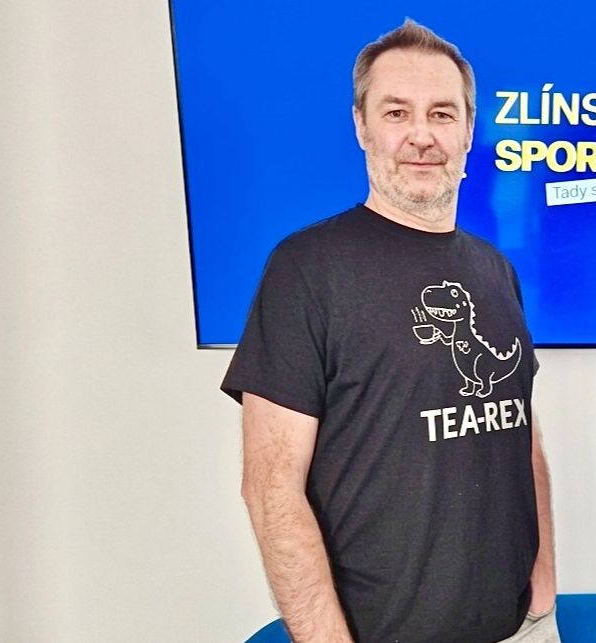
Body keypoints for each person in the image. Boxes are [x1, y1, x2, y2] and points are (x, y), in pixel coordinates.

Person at [222, 20, 559, 643]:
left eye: (442, 113)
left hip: (521, 628)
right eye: (397, 112)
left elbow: (522, 439)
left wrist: (543, 593)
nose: (422, 136)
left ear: (468, 130)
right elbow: (271, 488)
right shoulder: (306, 269)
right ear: (361, 126)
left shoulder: (495, 270)